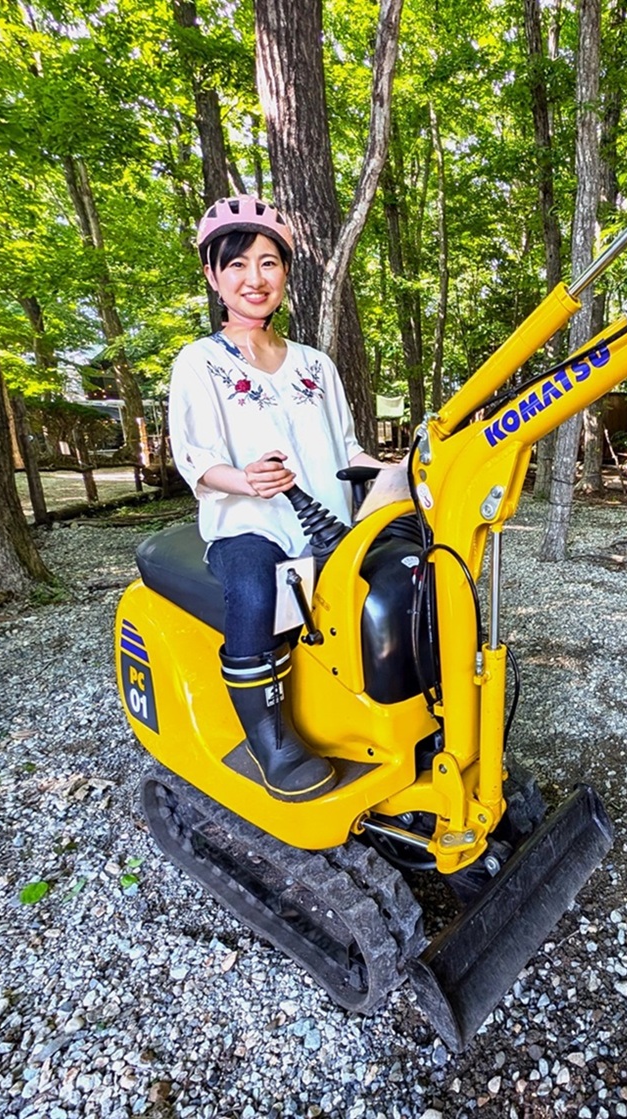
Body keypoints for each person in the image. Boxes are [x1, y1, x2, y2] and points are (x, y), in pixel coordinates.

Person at [169, 195, 385, 802]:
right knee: (254, 588)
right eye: (236, 265)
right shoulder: (200, 363)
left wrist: (401, 471)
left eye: (268, 263)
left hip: (329, 525)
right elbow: (195, 457)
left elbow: (348, 450)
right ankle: (267, 737)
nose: (254, 278)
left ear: (286, 273)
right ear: (213, 276)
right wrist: (244, 480)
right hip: (249, 523)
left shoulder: (316, 365)